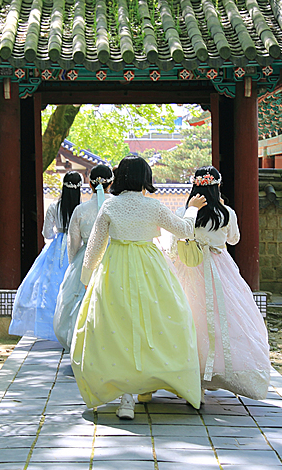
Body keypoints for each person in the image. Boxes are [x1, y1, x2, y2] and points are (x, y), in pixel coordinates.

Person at [70, 154, 206, 419]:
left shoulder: (109, 207)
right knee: (156, 323)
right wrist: (192, 208)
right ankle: (151, 383)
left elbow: (95, 247)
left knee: (117, 328)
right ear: (146, 178)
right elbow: (186, 230)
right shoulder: (153, 207)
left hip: (115, 267)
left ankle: (127, 397)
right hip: (150, 268)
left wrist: (87, 280)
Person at [170, 166, 270, 400]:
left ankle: (192, 377)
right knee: (224, 316)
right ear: (217, 187)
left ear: (195, 187)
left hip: (190, 266)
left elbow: (177, 239)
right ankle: (218, 372)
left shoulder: (183, 211)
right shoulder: (227, 213)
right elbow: (234, 239)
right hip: (219, 267)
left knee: (191, 316)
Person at [9, 170, 82, 341]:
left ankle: (49, 327)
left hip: (57, 249)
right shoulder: (81, 208)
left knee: (49, 288)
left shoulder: (54, 207)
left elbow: (47, 233)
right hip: (78, 246)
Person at [53, 164, 115, 350]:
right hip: (114, 256)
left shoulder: (80, 210)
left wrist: (74, 263)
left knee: (81, 300)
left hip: (86, 257)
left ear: (89, 184)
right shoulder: (117, 206)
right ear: (111, 184)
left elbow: (73, 243)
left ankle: (80, 342)